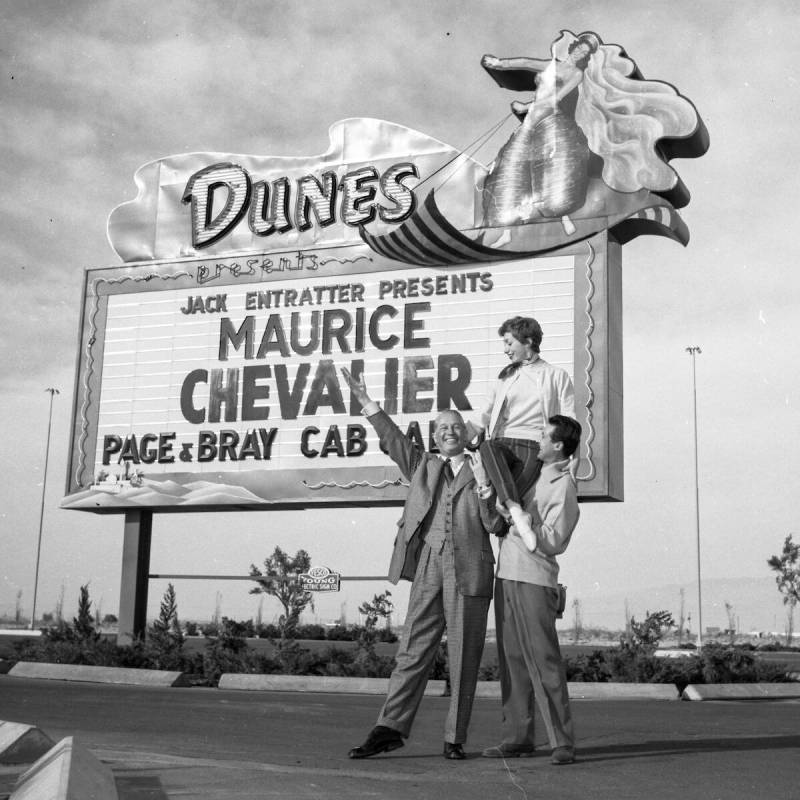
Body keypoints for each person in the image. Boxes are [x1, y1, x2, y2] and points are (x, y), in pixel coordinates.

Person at [342, 367, 504, 761]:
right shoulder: (422, 466)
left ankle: (455, 738)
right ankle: (389, 729)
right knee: (412, 650)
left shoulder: (485, 468)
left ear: (466, 433)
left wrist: (485, 491)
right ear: (433, 436)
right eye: (442, 428)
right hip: (429, 562)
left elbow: (497, 524)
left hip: (471, 568)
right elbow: (393, 439)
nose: (449, 432)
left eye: (455, 427)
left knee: (464, 657)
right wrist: (367, 403)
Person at [479, 414, 582, 765]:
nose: (538, 439)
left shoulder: (562, 485)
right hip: (506, 573)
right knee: (512, 661)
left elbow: (553, 541)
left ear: (558, 445)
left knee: (544, 661)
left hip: (535, 579)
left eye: (544, 435)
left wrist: (520, 516)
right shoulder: (530, 476)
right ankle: (518, 738)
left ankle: (561, 741)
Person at [468, 315, 575, 551]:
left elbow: (570, 420)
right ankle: (517, 511)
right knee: (486, 447)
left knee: (499, 510)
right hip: (502, 447)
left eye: (509, 343)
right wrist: (454, 437)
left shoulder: (556, 376)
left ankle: (514, 513)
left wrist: (569, 458)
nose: (505, 349)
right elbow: (482, 416)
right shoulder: (505, 377)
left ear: (528, 340)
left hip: (533, 447)